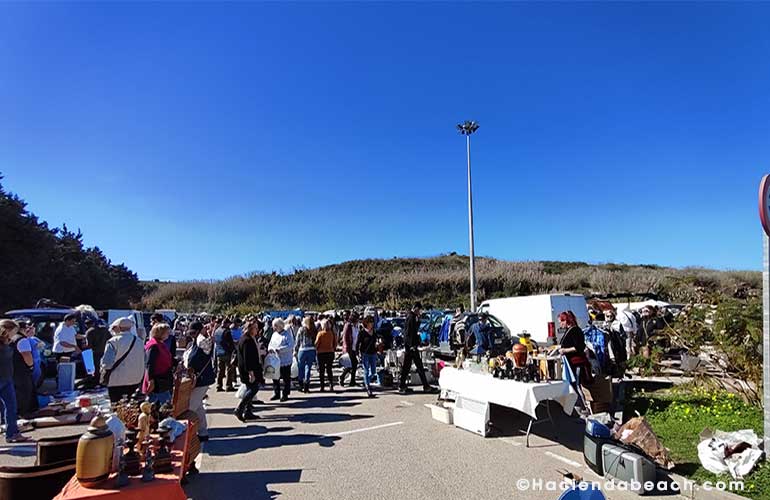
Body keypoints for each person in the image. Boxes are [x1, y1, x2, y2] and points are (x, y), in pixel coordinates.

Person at [0, 319, 32, 443]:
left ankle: (12, 434)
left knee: (12, 407)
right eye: (13, 330)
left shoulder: (9, 342)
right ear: (6, 330)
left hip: (7, 378)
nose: (15, 333)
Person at [101, 317, 145, 403]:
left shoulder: (113, 341)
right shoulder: (139, 341)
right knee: (132, 409)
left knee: (117, 407)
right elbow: (144, 360)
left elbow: (107, 363)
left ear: (118, 327)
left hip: (117, 381)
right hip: (135, 379)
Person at [398, 303, 438, 395]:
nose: (420, 312)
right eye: (419, 310)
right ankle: (425, 386)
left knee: (409, 366)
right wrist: (411, 345)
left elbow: (414, 331)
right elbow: (409, 332)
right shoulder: (411, 317)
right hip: (411, 346)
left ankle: (403, 385)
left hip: (411, 345)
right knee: (416, 366)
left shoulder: (413, 317)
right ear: (416, 309)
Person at [185, 321, 215, 442]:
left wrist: (206, 333)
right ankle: (202, 432)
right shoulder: (194, 342)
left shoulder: (200, 340)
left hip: (201, 380)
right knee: (198, 407)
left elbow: (208, 345)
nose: (191, 334)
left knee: (191, 407)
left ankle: (188, 433)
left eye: (193, 332)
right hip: (197, 380)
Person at [235, 320, 264, 422]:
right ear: (250, 329)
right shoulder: (246, 340)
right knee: (253, 389)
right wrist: (251, 373)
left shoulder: (251, 338)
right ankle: (240, 408)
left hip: (252, 367)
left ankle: (248, 411)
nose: (257, 330)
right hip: (248, 369)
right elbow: (247, 358)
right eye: (255, 328)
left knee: (250, 389)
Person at [558, 310, 593, 388]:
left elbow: (579, 347)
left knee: (577, 387)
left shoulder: (575, 330)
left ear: (566, 320)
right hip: (570, 363)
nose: (560, 324)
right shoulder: (568, 330)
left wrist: (565, 350)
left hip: (577, 364)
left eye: (561, 321)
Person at [10, 319, 38, 417]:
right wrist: (31, 366)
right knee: (25, 391)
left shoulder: (12, 338)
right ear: (23, 329)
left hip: (13, 369)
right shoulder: (22, 340)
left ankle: (17, 412)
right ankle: (24, 413)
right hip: (22, 370)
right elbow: (27, 355)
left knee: (17, 392)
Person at [143, 323, 174, 404]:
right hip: (157, 381)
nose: (168, 333)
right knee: (159, 405)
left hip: (163, 379)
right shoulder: (154, 346)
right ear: (161, 333)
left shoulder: (160, 344)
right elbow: (150, 363)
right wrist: (151, 380)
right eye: (167, 332)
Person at [267, 318, 294, 402]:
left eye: (274, 326)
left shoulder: (287, 334)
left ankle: (285, 394)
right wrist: (270, 349)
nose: (273, 328)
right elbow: (270, 344)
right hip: (275, 359)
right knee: (275, 377)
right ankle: (277, 393)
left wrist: (280, 349)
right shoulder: (274, 334)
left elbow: (290, 345)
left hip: (285, 360)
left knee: (286, 377)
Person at [294, 317, 317, 393]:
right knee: (308, 367)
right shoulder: (314, 329)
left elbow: (297, 341)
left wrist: (295, 350)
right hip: (311, 350)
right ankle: (306, 385)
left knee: (301, 367)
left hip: (302, 350)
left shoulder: (301, 329)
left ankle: (300, 385)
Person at [357, 316, 378, 398]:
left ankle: (366, 381)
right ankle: (367, 386)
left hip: (373, 353)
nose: (371, 324)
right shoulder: (362, 332)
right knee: (366, 370)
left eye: (372, 322)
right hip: (365, 353)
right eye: (370, 322)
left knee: (373, 371)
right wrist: (357, 353)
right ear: (366, 323)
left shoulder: (374, 332)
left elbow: (376, 340)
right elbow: (358, 343)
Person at [214, 318, 236, 392]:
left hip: (219, 352)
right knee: (229, 370)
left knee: (220, 370)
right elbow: (231, 343)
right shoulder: (227, 332)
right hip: (227, 353)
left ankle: (218, 385)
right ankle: (228, 386)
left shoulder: (216, 331)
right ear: (226, 324)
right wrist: (233, 350)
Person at [315, 319, 336, 392]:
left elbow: (316, 343)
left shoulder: (320, 333)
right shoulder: (332, 333)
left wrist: (316, 348)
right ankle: (331, 385)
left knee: (321, 371)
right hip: (330, 352)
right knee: (329, 370)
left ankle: (322, 386)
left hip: (321, 353)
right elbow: (335, 343)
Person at [339, 312, 359, 387]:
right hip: (349, 348)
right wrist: (348, 349)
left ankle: (352, 380)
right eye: (357, 318)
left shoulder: (356, 326)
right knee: (351, 364)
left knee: (354, 364)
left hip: (354, 348)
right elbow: (345, 338)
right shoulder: (348, 325)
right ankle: (343, 377)